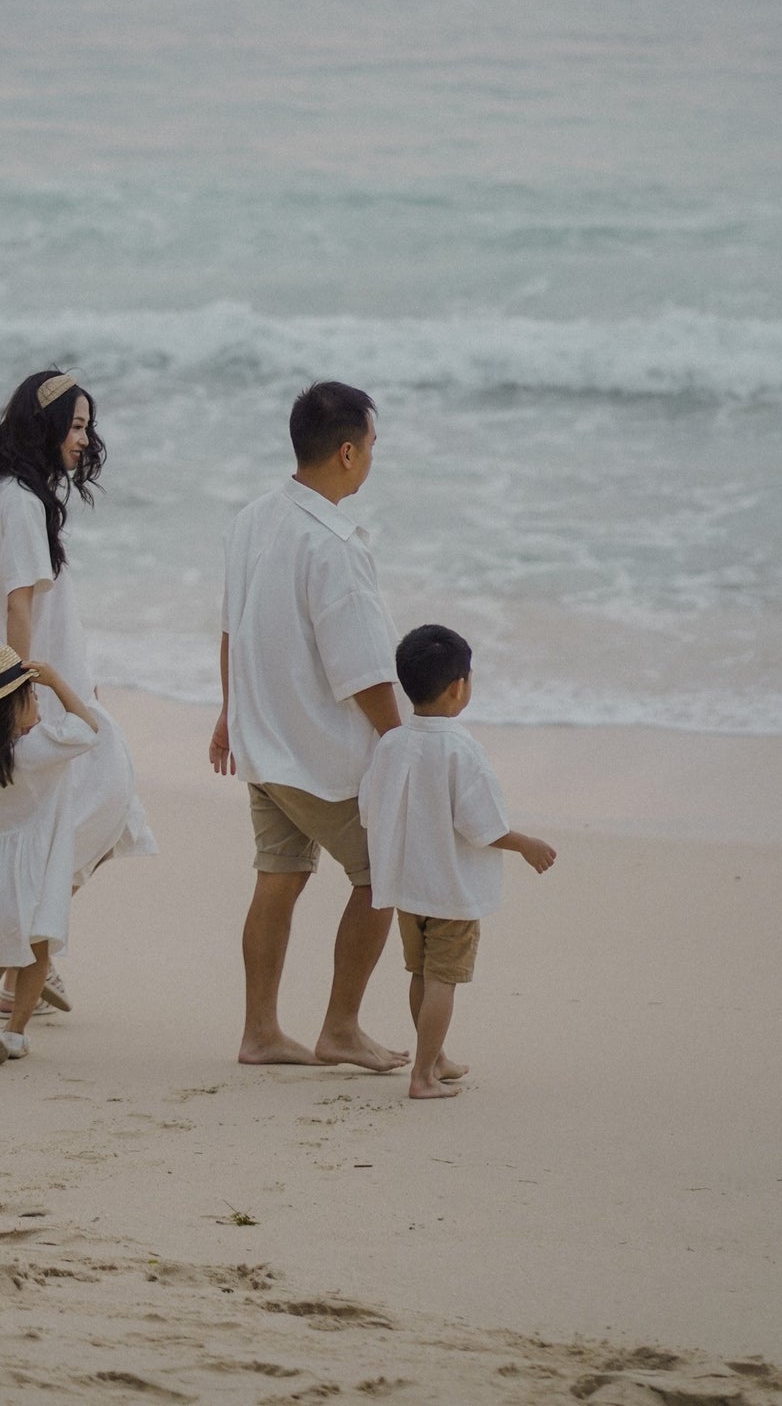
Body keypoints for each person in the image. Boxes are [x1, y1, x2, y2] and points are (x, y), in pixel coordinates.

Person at [0, 369, 156, 1019]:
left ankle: (30, 951)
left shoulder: (21, 492)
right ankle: (26, 955)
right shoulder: (19, 500)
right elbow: (18, 608)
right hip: (22, 685)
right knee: (91, 804)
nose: (84, 438)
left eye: (87, 426)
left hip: (41, 675)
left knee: (85, 815)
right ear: (42, 426)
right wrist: (21, 704)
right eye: (74, 426)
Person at [211, 379, 407, 1072]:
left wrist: (228, 713)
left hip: (261, 740)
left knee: (279, 875)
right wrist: (403, 739)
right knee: (384, 873)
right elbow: (362, 668)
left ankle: (260, 1032)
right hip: (315, 750)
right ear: (348, 453)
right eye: (374, 446)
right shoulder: (335, 544)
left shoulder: (251, 519)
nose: (374, 458)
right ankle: (341, 1028)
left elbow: (232, 626)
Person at [359, 623, 557, 1101]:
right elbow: (483, 824)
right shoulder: (462, 749)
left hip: (408, 887)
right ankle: (423, 1075)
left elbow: (370, 806)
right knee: (444, 980)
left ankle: (436, 1056)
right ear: (458, 688)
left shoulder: (391, 744)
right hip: (451, 890)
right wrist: (527, 843)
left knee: (421, 975)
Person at [0, 642, 101, 1065]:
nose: (37, 700)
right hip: (34, 869)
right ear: (11, 710)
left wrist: (41, 693)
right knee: (36, 952)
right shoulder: (35, 751)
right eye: (31, 696)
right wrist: (57, 682)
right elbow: (89, 730)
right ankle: (14, 1034)